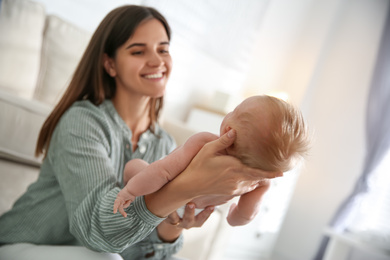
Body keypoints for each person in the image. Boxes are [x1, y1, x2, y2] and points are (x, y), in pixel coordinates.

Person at [0, 5, 281, 260]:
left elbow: (133, 250)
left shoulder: (164, 144)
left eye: (163, 49)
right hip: (21, 246)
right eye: (138, 51)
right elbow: (97, 232)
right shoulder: (82, 122)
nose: (157, 61)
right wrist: (184, 188)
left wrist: (173, 225)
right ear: (110, 64)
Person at [114, 95, 310, 226]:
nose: (230, 113)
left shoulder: (204, 143)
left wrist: (130, 191)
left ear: (227, 132)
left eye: (234, 110)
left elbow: (163, 171)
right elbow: (243, 217)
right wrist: (234, 215)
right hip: (190, 212)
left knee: (135, 165)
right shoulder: (258, 183)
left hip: (162, 193)